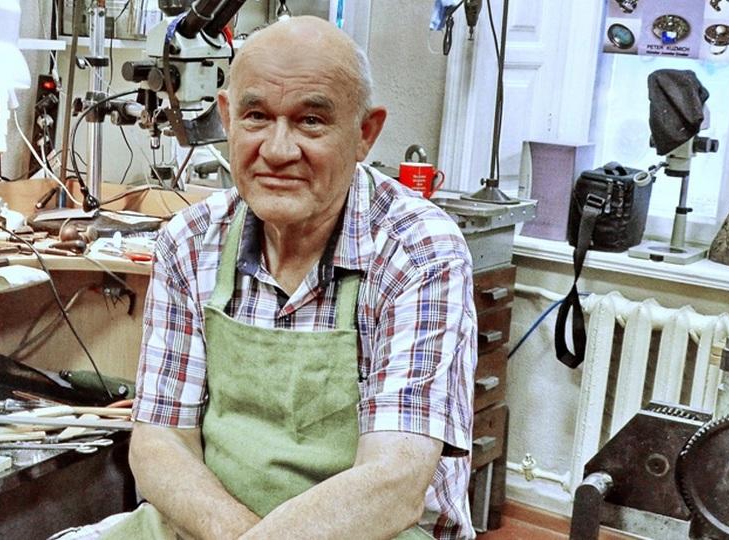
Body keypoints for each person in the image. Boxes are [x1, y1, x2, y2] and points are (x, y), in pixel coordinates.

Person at [54, 15, 476, 540]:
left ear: (364, 133)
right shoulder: (190, 241)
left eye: (311, 121)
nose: (277, 151)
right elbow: (160, 441)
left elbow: (394, 482)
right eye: (256, 116)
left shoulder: (418, 252)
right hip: (215, 526)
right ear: (227, 117)